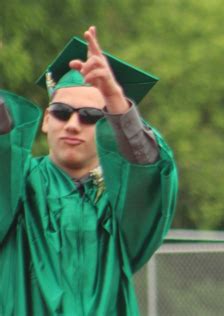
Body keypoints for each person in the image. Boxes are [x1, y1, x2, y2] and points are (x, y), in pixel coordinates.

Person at [0, 26, 178, 315]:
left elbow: (148, 174)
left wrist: (116, 102)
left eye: (90, 116)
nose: (72, 124)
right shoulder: (17, 185)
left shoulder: (119, 204)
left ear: (109, 128)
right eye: (61, 112)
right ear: (46, 120)